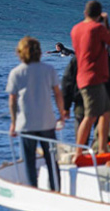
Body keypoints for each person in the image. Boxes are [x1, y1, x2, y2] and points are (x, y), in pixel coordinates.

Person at [6, 36, 66, 190]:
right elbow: (58, 94)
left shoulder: (16, 72)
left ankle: (33, 190)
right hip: (47, 122)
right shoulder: (49, 69)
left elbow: (12, 101)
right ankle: (56, 190)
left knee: (29, 161)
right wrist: (62, 114)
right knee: (52, 160)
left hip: (26, 124)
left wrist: (13, 124)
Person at [70, 0, 110, 157]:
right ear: (99, 15)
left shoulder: (75, 29)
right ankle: (79, 151)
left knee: (106, 111)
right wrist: (107, 24)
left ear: (85, 13)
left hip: (86, 76)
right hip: (93, 77)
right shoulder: (98, 28)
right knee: (90, 116)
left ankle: (102, 148)